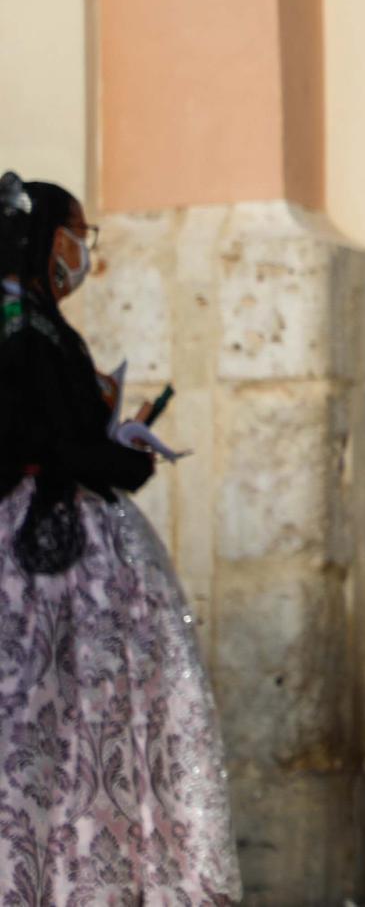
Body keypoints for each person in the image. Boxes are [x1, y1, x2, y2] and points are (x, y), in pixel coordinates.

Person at [0, 173, 239, 901]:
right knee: (62, 724)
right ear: (45, 237)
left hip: (49, 558)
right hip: (49, 568)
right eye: (78, 232)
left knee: (58, 728)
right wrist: (124, 456)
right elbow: (46, 441)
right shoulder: (22, 328)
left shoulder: (32, 322)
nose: (83, 252)